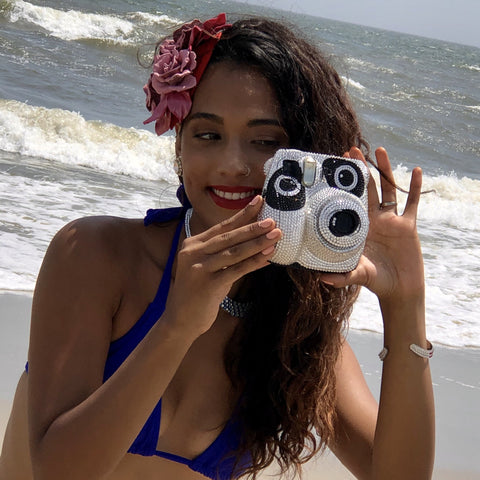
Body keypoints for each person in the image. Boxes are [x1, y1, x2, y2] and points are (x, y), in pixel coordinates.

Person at [0, 13, 435, 480]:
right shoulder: (95, 255)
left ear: (309, 158)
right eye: (208, 134)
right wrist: (176, 327)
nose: (234, 164)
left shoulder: (299, 335)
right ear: (180, 146)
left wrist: (405, 303)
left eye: (265, 141)